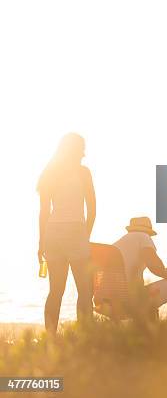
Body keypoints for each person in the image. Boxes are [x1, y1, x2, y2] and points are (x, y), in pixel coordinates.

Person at [37, 133, 96, 334]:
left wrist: (41, 243)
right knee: (85, 290)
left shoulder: (50, 173)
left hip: (53, 234)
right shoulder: (83, 173)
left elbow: (44, 212)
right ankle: (85, 336)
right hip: (75, 231)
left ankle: (51, 338)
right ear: (75, 150)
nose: (84, 153)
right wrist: (84, 237)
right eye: (82, 148)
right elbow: (93, 209)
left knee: (55, 292)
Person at [113, 216, 167, 314]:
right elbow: (154, 266)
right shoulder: (143, 237)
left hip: (106, 300)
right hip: (129, 299)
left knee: (145, 294)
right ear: (148, 232)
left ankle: (145, 326)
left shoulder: (116, 244)